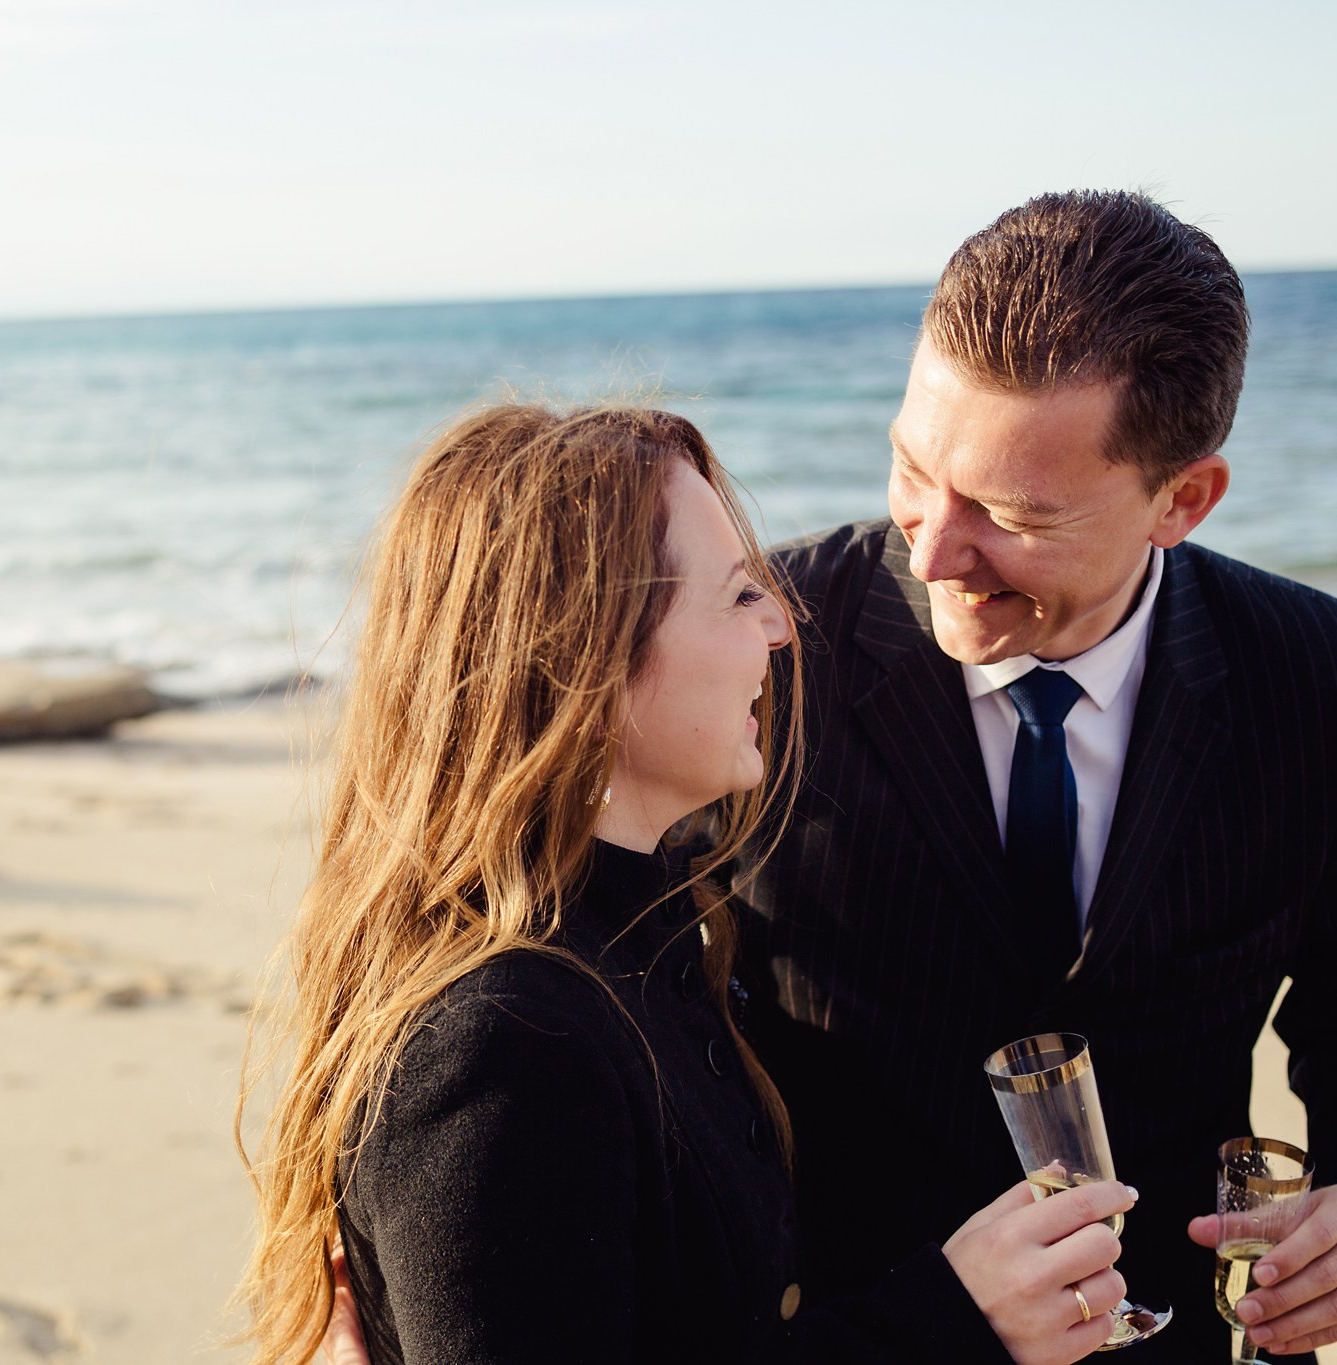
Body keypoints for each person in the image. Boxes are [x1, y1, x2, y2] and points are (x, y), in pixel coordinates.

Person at [236, 403, 1137, 1364]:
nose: (784, 629)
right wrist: (952, 1321)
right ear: (586, 653)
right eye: (742, 596)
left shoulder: (640, 933)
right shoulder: (501, 1042)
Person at [740, 190, 1337, 1365]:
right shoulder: (755, 654)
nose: (928, 551)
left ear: (1182, 500)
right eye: (914, 468)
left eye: (1008, 513)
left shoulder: (1310, 680)